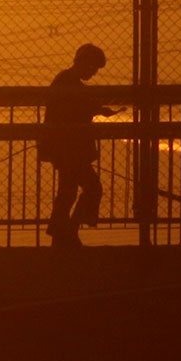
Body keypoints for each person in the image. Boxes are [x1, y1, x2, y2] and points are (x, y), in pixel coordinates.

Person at [41, 42, 118, 247]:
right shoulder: (67, 82)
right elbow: (72, 109)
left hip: (66, 146)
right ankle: (67, 231)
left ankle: (62, 233)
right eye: (92, 67)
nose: (93, 72)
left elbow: (75, 107)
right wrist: (97, 109)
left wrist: (97, 109)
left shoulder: (66, 81)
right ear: (83, 62)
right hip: (68, 146)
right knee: (89, 188)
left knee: (68, 191)